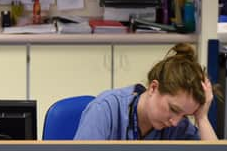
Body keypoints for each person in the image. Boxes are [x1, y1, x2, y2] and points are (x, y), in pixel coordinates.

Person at [73, 43, 218, 140]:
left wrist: (202, 119)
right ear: (153, 88)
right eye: (173, 109)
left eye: (185, 115)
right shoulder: (105, 110)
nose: (175, 122)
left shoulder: (178, 125)